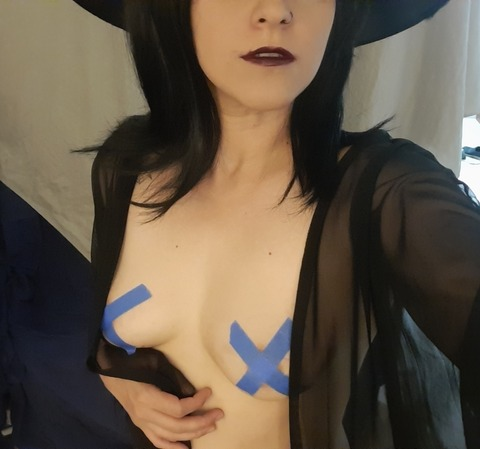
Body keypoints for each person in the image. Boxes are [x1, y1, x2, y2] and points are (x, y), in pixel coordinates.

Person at [73, 0, 480, 448]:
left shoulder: (389, 195)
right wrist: (125, 387)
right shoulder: (127, 167)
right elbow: (108, 344)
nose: (275, 11)